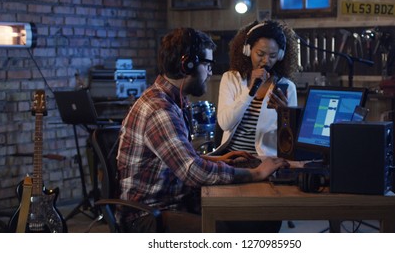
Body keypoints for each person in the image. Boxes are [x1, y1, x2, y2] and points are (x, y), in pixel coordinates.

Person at [116, 27, 289, 233]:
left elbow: (184, 159)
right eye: (207, 64)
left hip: (174, 202)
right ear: (187, 65)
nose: (210, 72)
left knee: (262, 221)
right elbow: (193, 172)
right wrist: (255, 173)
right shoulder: (159, 110)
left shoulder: (173, 101)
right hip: (148, 216)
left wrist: (219, 159)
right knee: (230, 233)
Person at [213, 20, 300, 156]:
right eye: (260, 54)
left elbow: (290, 138)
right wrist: (249, 92)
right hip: (231, 157)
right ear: (247, 50)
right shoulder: (230, 79)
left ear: (281, 55)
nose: (266, 60)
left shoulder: (287, 87)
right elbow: (225, 124)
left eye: (273, 56)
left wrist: (284, 114)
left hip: (265, 161)